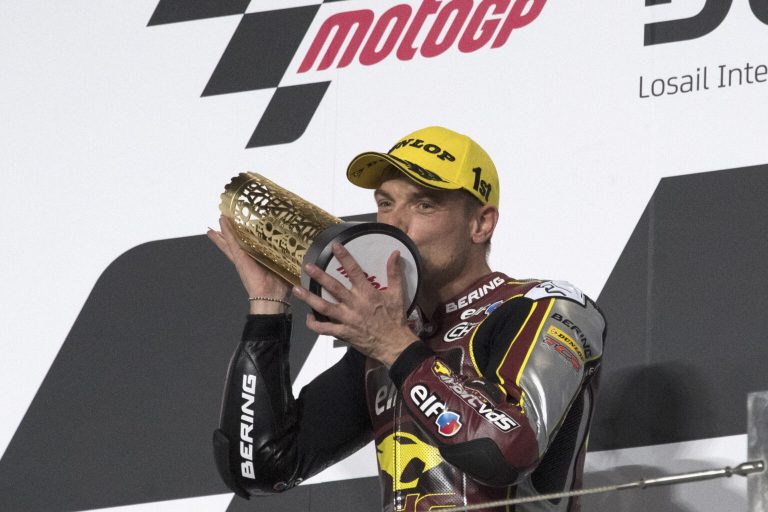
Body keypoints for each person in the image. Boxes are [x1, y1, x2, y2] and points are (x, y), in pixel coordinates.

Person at [208, 126, 606, 512]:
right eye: (385, 203)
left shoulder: (546, 307)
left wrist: (392, 345)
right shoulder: (389, 338)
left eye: (423, 205)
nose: (394, 223)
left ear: (480, 223)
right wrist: (267, 306)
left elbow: (505, 450)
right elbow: (260, 467)